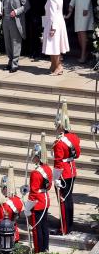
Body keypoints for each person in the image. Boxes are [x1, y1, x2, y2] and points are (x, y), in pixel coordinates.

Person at [52, 100, 81, 235]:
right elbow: (77, 155)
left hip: (63, 173)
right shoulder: (74, 137)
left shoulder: (59, 142)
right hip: (72, 170)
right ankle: (70, 225)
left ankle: (64, 228)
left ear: (60, 126)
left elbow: (58, 162)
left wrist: (56, 178)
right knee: (69, 199)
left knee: (63, 201)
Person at [0, 0, 30, 73]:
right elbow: (1, 2)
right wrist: (0, 9)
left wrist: (16, 11)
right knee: (7, 42)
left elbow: (27, 6)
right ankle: (10, 61)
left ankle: (15, 64)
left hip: (15, 20)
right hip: (5, 20)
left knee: (15, 42)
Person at [27, 132, 53, 253]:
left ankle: (39, 251)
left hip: (37, 202)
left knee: (37, 229)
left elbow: (33, 192)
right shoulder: (47, 168)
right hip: (45, 199)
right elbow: (49, 186)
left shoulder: (35, 172)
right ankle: (45, 248)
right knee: (44, 227)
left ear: (38, 156)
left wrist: (27, 207)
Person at [37, 0, 69, 76]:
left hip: (53, 24)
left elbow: (53, 14)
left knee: (54, 47)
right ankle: (53, 65)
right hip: (56, 23)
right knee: (53, 46)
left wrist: (52, 28)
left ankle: (58, 67)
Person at [0, 164, 24, 243]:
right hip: (15, 232)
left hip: (6, 235)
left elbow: (1, 221)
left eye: (2, 187)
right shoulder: (18, 200)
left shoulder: (4, 204)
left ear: (5, 188)